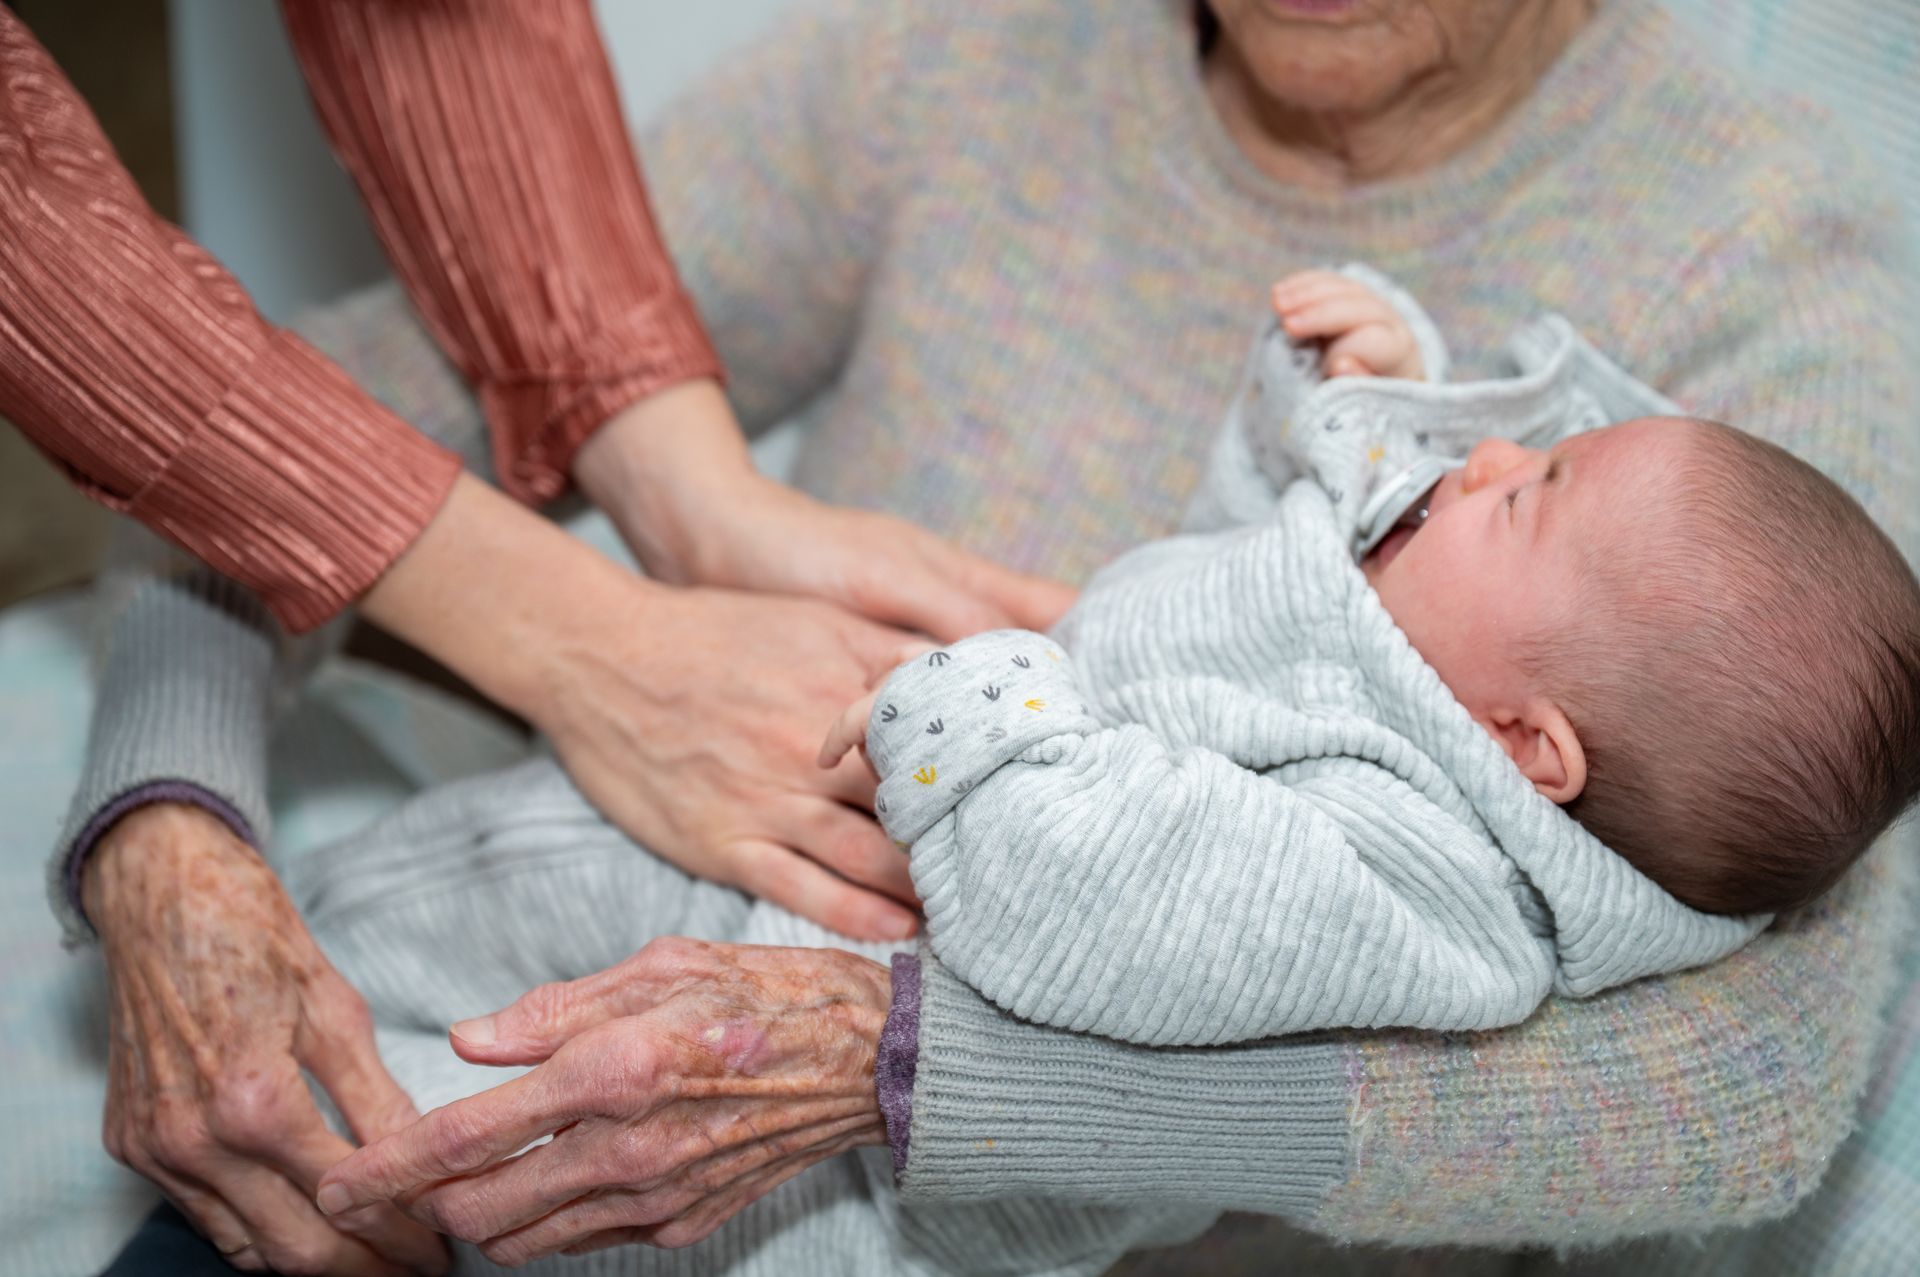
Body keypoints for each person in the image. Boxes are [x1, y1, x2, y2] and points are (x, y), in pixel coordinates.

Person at [65, 0, 1919, 1269]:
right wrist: (169, 825)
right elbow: (287, 427)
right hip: (512, 1040)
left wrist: (926, 1068)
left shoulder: (1767, 268)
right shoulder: (969, 59)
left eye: (1526, 483)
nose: (1486, 463)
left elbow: (1749, 1085)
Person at [1, 1, 1061, 1272]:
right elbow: (250, 447)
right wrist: (165, 820)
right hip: (441, 1096)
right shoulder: (949, 88)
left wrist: (900, 1060)